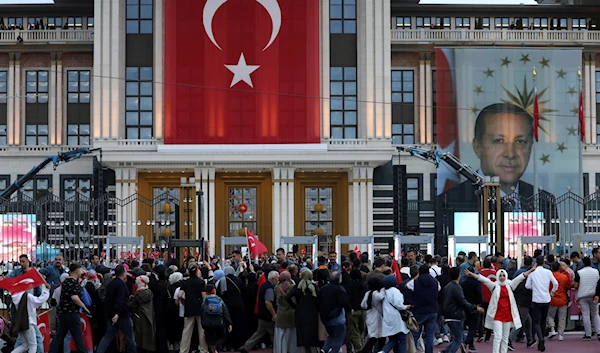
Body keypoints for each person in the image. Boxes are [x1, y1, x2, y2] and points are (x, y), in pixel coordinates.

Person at [439, 103, 557, 234]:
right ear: (478, 147)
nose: (511, 154)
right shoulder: (449, 200)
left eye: (520, 141)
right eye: (499, 140)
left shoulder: (543, 201)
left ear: (530, 148)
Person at [466, 267, 533, 353]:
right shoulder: (494, 285)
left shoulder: (510, 285)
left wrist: (531, 270)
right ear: (497, 276)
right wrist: (473, 275)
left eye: (503, 275)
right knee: (497, 337)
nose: (502, 277)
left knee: (505, 337)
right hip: (497, 315)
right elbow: (484, 280)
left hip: (507, 315)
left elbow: (520, 277)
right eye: (500, 275)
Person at [48, 263, 91, 353]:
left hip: (63, 313)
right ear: (77, 271)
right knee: (78, 338)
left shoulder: (66, 282)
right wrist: (84, 307)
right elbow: (74, 297)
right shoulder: (72, 282)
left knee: (59, 337)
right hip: (71, 313)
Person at [440, 267, 484, 353]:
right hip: (456, 315)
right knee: (459, 339)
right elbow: (462, 302)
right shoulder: (457, 287)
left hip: (449, 315)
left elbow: (442, 301)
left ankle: (445, 351)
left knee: (459, 337)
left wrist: (443, 315)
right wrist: (475, 307)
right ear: (459, 275)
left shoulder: (447, 287)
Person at [95, 265, 137, 353]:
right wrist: (117, 313)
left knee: (108, 336)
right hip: (123, 315)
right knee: (130, 338)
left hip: (111, 315)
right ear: (123, 273)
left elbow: (108, 300)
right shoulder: (121, 285)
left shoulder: (111, 283)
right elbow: (120, 300)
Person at [239, 271, 279, 353]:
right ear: (273, 279)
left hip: (261, 314)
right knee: (273, 333)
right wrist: (274, 314)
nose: (278, 280)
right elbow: (268, 302)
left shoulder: (264, 285)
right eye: (277, 278)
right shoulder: (269, 288)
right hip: (267, 315)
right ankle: (278, 348)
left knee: (259, 333)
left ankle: (246, 347)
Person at [525, 256, 558, 351]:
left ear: (536, 263)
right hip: (546, 299)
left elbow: (527, 286)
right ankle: (542, 340)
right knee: (543, 321)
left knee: (536, 322)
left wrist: (534, 288)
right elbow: (555, 283)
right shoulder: (548, 272)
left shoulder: (532, 273)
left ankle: (540, 339)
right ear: (543, 263)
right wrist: (552, 292)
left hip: (536, 299)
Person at [407, 264, 440, 353]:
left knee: (415, 334)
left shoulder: (415, 282)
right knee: (429, 335)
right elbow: (439, 289)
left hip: (419, 310)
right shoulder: (435, 281)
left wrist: (417, 277)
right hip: (432, 310)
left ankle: (412, 351)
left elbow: (407, 286)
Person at [178, 263, 209, 353]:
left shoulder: (185, 282)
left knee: (187, 330)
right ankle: (203, 349)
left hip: (189, 307)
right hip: (199, 308)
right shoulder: (201, 282)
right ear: (196, 271)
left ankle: (183, 350)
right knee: (202, 330)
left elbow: (179, 295)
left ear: (188, 271)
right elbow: (204, 296)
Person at [11, 282, 50, 353]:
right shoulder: (27, 296)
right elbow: (39, 300)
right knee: (33, 345)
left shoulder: (14, 297)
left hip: (20, 323)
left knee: (25, 345)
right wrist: (46, 290)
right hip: (29, 322)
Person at [287, 269, 320, 353]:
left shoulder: (298, 287)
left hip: (300, 312)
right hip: (312, 313)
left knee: (301, 333)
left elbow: (288, 296)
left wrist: (295, 306)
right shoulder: (314, 286)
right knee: (312, 333)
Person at [317, 272, 350, 353]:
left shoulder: (323, 288)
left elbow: (317, 302)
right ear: (339, 279)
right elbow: (345, 302)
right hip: (337, 318)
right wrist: (349, 310)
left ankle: (324, 350)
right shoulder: (340, 289)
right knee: (338, 338)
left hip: (325, 318)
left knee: (331, 336)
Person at [216, 265, 247, 351]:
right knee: (238, 325)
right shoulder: (238, 280)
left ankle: (227, 344)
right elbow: (244, 292)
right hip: (239, 306)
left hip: (227, 306)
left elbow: (219, 294)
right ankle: (237, 344)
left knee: (228, 325)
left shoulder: (222, 281)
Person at [379, 275, 411, 353]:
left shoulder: (383, 291)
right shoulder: (395, 291)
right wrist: (405, 307)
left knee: (393, 339)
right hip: (396, 318)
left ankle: (383, 351)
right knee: (402, 338)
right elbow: (398, 304)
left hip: (387, 317)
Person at [574, 256, 600, 340]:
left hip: (582, 295)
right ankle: (598, 332)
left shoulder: (579, 272)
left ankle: (588, 334)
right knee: (595, 313)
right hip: (594, 295)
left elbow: (576, 285)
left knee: (585, 314)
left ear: (583, 263)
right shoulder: (596, 271)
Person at [200, 284, 232, 353]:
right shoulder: (219, 299)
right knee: (222, 336)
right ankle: (215, 347)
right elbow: (225, 311)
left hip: (207, 323)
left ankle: (212, 348)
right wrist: (229, 323)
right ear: (214, 290)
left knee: (209, 338)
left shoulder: (205, 300)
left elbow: (201, 311)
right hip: (218, 321)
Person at [360, 278, 385, 353]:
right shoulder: (376, 294)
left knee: (375, 337)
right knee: (376, 338)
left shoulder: (368, 293)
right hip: (377, 318)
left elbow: (362, 305)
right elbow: (381, 297)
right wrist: (383, 290)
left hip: (369, 316)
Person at [547, 262, 570, 341]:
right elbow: (569, 286)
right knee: (562, 318)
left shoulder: (549, 277)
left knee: (550, 316)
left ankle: (552, 329)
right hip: (562, 298)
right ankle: (560, 334)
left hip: (552, 299)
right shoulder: (564, 277)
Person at [274, 271, 296, 353]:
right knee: (291, 336)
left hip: (280, 314)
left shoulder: (276, 287)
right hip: (291, 314)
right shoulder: (292, 287)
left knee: (281, 336)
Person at [131, 275, 155, 353]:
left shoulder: (139, 294)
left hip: (139, 317)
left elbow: (133, 306)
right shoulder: (149, 292)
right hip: (148, 316)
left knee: (139, 336)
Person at [461, 267, 482, 353]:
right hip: (474, 306)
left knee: (469, 326)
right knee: (473, 327)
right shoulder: (477, 283)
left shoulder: (464, 283)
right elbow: (479, 294)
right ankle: (466, 343)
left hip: (466, 306)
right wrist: (479, 304)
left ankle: (471, 345)